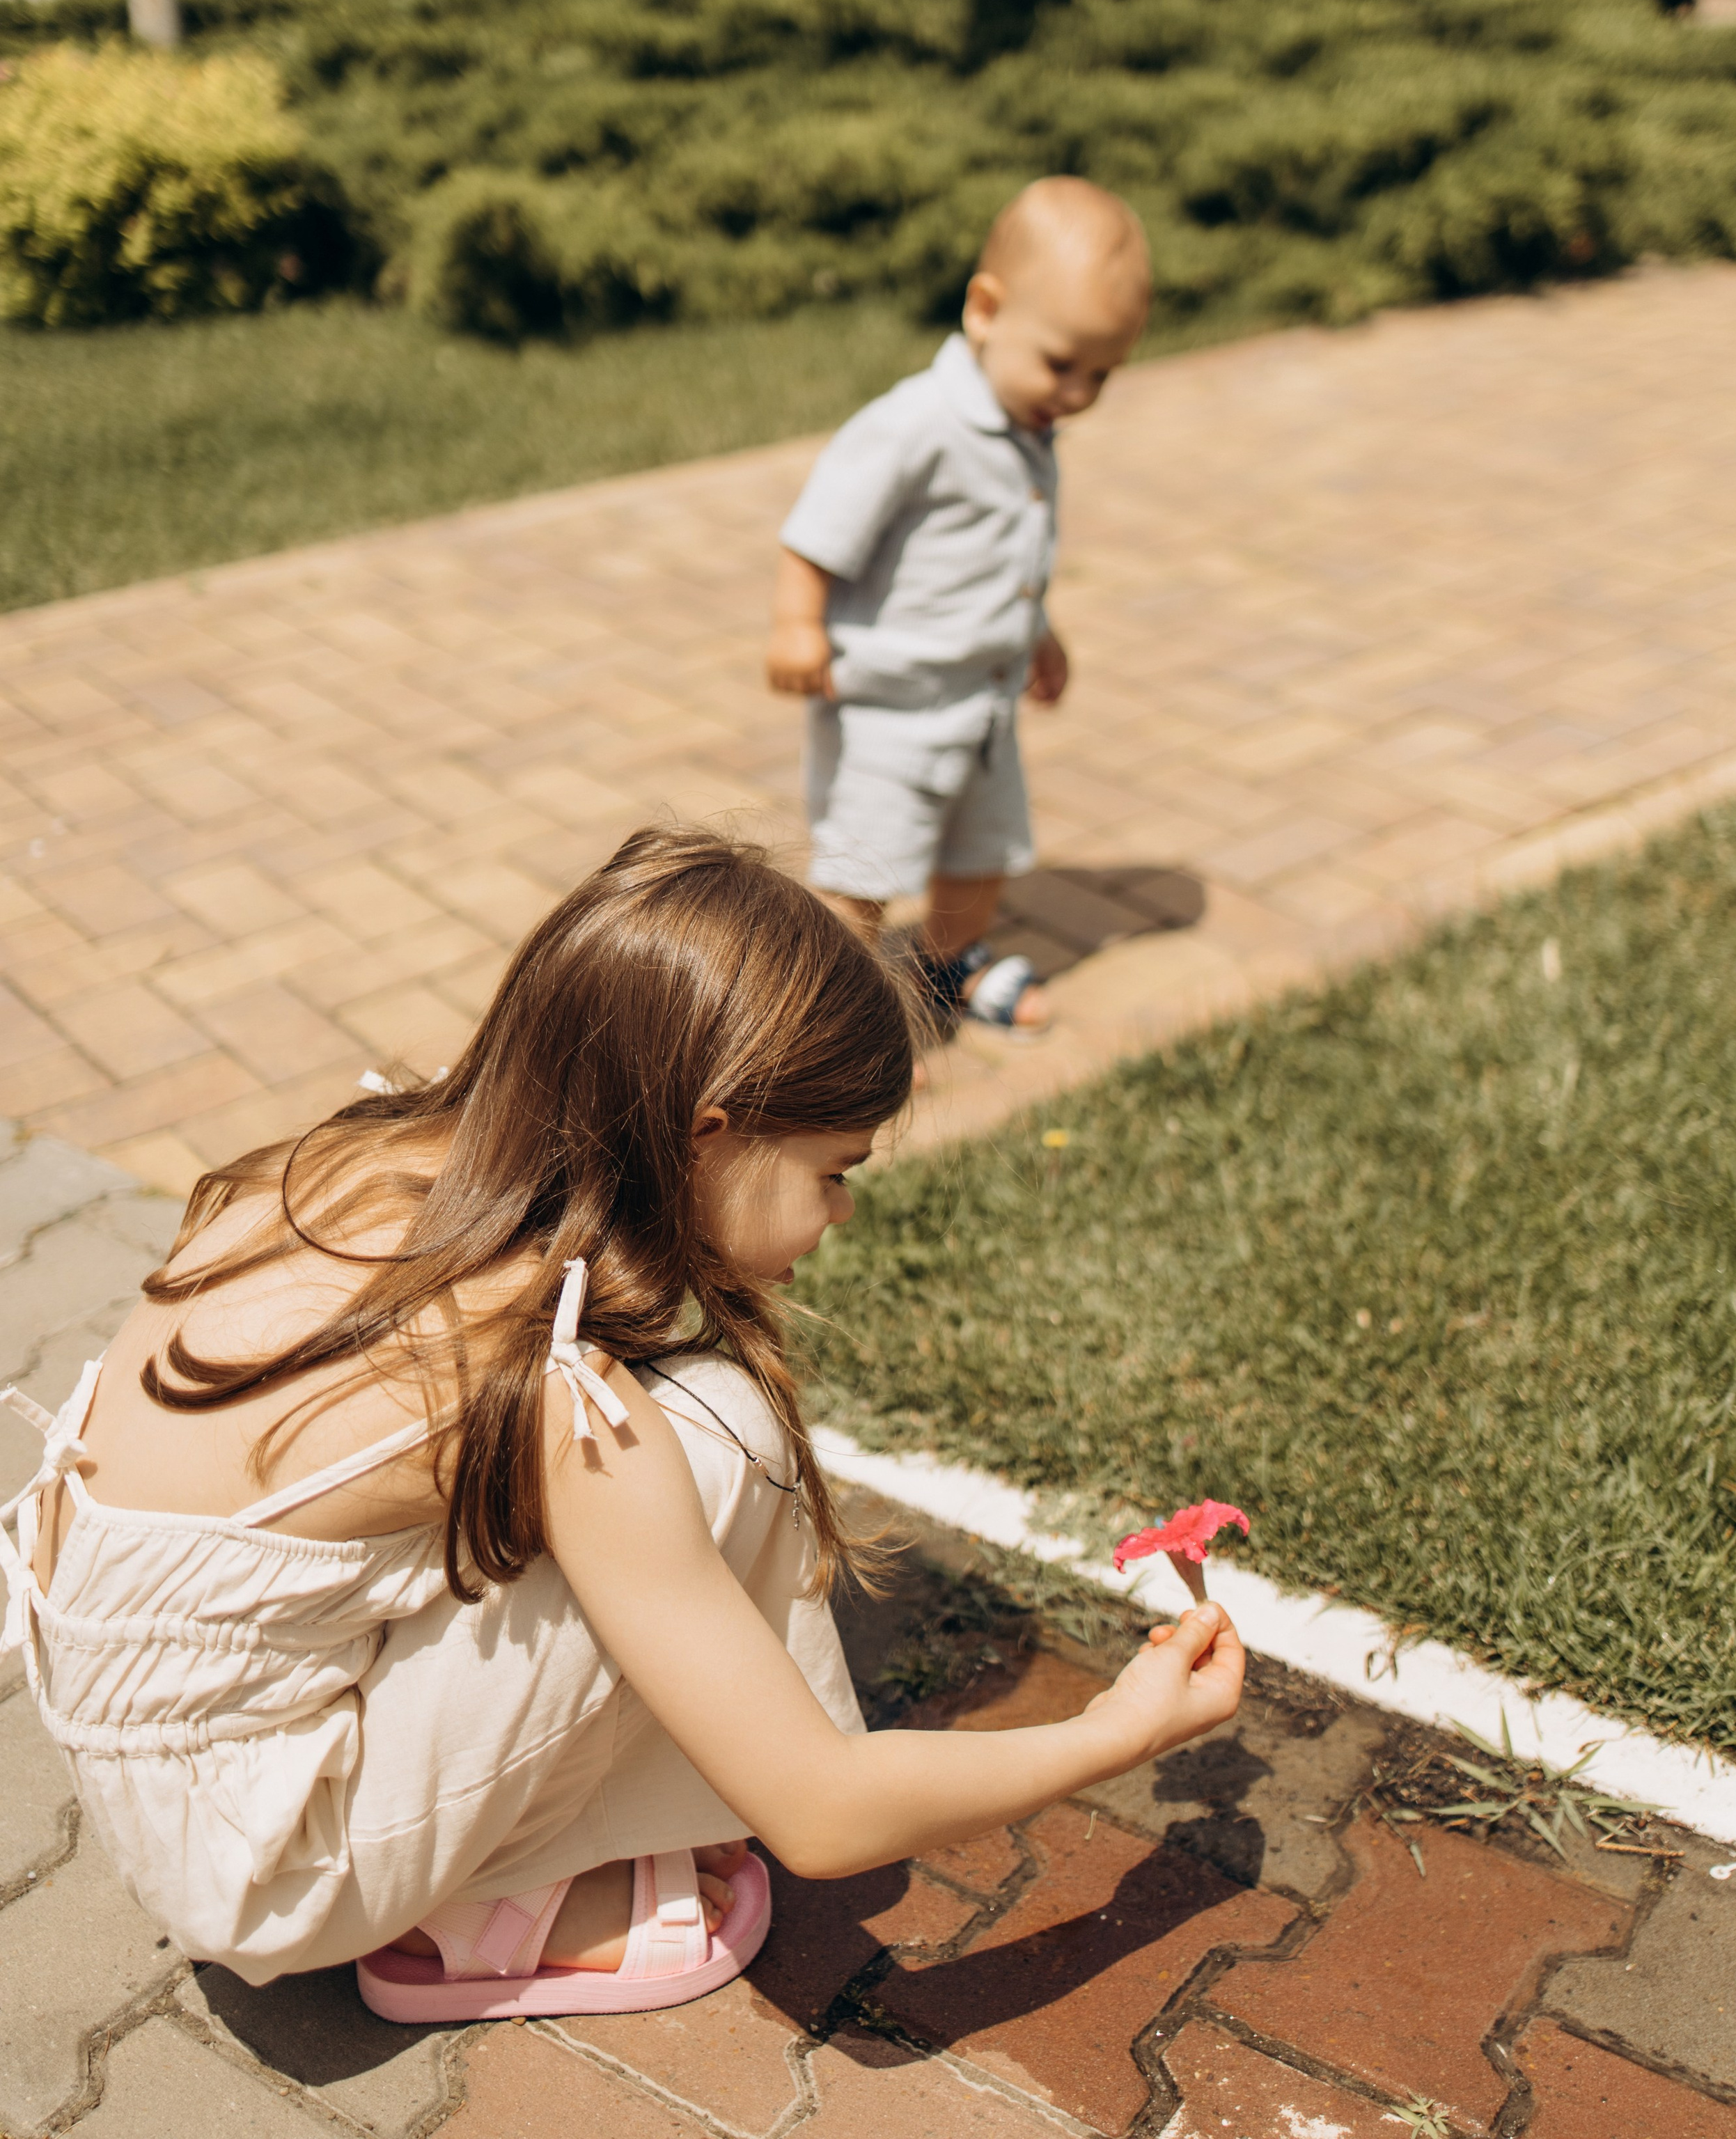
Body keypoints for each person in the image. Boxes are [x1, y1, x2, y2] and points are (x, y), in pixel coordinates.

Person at [0, 831, 1242, 2023]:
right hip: (263, 1868)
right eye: (834, 1171)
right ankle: (477, 1916)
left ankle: (619, 1782)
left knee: (678, 1442)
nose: (842, 1214)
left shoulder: (365, 1160)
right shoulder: (554, 1392)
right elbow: (822, 1818)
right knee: (713, 1437)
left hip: (169, 1768)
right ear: (710, 1131)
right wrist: (1113, 1733)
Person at [767, 177, 1150, 1040]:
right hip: (888, 712)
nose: (1079, 394)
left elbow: (996, 560)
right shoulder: (916, 425)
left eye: (1103, 374)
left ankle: (945, 967)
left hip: (983, 705)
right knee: (860, 873)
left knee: (984, 857)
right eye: (1063, 364)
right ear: (985, 309)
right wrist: (798, 622)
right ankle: (825, 1024)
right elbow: (817, 530)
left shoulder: (1026, 424)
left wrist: (1037, 634)